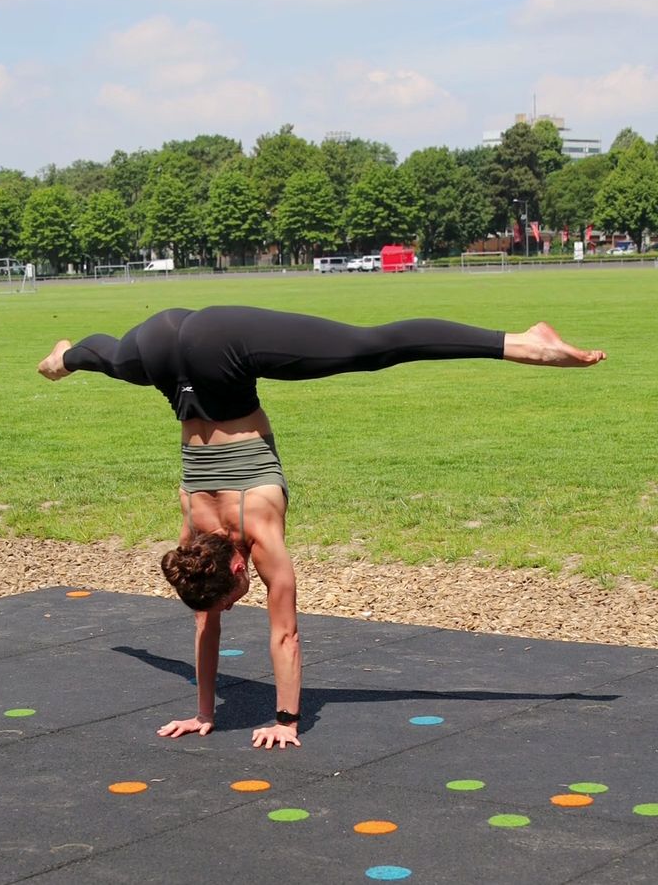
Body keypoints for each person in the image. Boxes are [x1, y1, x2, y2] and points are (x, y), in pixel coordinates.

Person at [38, 305, 606, 749]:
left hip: (219, 348)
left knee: (369, 350)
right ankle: (66, 357)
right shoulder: (192, 537)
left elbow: (284, 635)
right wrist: (203, 711)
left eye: (236, 596)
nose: (235, 605)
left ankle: (528, 343)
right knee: (110, 360)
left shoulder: (258, 535)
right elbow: (204, 620)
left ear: (239, 566)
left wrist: (286, 719)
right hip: (162, 348)